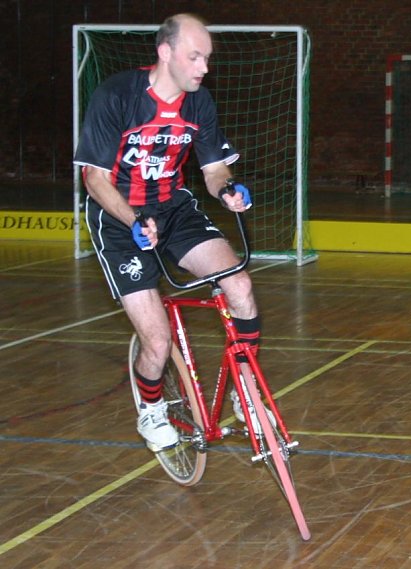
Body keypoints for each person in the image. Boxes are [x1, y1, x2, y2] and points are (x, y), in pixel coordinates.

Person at [74, 14, 260, 452]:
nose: (204, 68)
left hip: (173, 207)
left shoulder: (199, 102)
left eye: (207, 58)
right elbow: (95, 179)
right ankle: (152, 409)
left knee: (239, 285)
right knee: (157, 340)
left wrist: (226, 189)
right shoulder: (117, 95)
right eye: (195, 57)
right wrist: (133, 221)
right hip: (119, 216)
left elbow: (213, 169)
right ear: (165, 52)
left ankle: (246, 390)